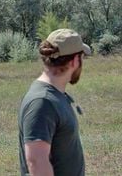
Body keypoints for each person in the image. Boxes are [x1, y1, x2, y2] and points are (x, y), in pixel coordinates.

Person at [18, 29, 91, 176]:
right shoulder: (42, 101)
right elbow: (36, 161)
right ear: (75, 61)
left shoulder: (54, 95)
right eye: (82, 57)